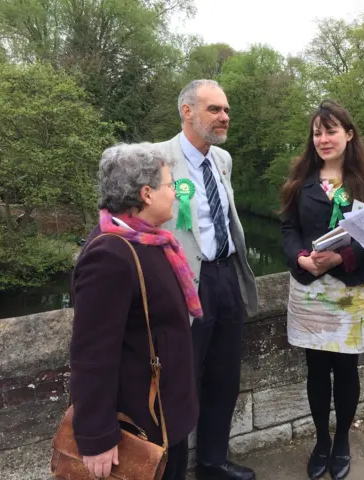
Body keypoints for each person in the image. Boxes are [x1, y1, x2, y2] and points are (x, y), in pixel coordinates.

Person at [70, 143, 200, 480]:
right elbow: (92, 353)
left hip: (166, 415)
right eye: (170, 185)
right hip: (143, 425)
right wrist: (97, 437)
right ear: (146, 193)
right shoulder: (111, 255)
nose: (175, 194)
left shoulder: (147, 240)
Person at [152, 79, 258, 480]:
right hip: (184, 284)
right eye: (215, 109)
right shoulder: (156, 158)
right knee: (178, 385)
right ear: (187, 112)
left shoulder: (223, 160)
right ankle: (173, 471)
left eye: (226, 109)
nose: (224, 116)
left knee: (223, 377)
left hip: (226, 277)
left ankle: (213, 463)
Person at [280, 100, 364, 480]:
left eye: (330, 131)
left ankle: (342, 438)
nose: (323, 139)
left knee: (346, 369)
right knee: (315, 370)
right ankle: (321, 440)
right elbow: (288, 229)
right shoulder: (301, 174)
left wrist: (341, 259)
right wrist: (301, 259)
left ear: (349, 134)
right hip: (310, 289)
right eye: (317, 132)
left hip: (350, 291)